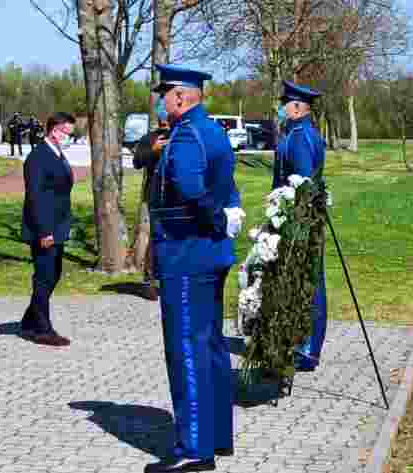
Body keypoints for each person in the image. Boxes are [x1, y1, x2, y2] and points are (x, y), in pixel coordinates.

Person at [144, 64, 245, 473]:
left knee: (186, 348)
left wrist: (219, 219)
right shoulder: (214, 130)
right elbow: (226, 186)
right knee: (211, 346)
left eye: (163, 95)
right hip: (210, 254)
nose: (160, 102)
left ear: (181, 97)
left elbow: (188, 188)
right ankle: (216, 436)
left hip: (186, 255)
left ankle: (194, 450)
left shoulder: (187, 133)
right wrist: (228, 216)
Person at [273, 80, 328, 372]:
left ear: (295, 107)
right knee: (303, 278)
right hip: (294, 219)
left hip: (300, 221)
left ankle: (307, 347)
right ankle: (300, 342)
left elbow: (303, 185)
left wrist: (293, 222)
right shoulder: (296, 133)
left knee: (309, 281)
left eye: (284, 104)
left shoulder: (301, 137)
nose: (281, 109)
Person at [19, 112, 77, 347]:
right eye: (67, 133)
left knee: (53, 275)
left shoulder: (57, 154)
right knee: (44, 278)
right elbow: (35, 198)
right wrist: (44, 232)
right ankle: (42, 330)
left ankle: (29, 320)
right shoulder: (38, 157)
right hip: (45, 229)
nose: (69, 138)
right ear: (55, 131)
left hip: (59, 226)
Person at [132, 104, 171, 301]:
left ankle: (168, 279)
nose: (165, 124)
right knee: (154, 239)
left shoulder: (180, 135)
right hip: (154, 195)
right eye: (162, 120)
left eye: (168, 119)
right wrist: (153, 150)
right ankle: (149, 281)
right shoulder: (149, 138)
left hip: (176, 196)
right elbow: (137, 161)